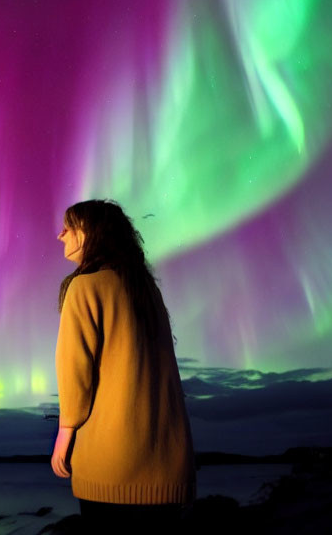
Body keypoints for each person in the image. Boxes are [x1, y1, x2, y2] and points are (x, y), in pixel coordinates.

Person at [51, 199, 195, 529]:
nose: (60, 235)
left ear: (90, 233)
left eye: (69, 227)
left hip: (112, 468)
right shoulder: (146, 291)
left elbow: (75, 371)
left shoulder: (85, 287)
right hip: (167, 464)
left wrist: (64, 435)